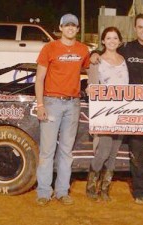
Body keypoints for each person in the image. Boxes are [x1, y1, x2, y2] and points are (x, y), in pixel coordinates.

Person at [91, 13, 143, 204]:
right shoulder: (127, 48)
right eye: (140, 27)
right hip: (133, 111)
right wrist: (92, 53)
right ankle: (140, 192)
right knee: (137, 154)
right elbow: (107, 49)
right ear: (135, 29)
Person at [35, 13, 90, 206]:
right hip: (51, 103)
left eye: (73, 26)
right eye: (67, 25)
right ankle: (43, 192)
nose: (70, 28)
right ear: (60, 27)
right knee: (47, 151)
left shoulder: (83, 50)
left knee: (66, 151)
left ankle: (62, 191)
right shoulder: (49, 48)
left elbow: (90, 69)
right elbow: (39, 78)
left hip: (72, 104)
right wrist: (40, 104)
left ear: (77, 29)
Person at [85, 27, 129, 202]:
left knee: (113, 153)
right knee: (103, 150)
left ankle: (104, 189)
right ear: (103, 41)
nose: (112, 41)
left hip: (122, 111)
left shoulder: (124, 59)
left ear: (119, 41)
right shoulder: (97, 61)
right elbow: (91, 86)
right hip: (104, 112)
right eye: (108, 38)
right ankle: (91, 186)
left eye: (115, 38)